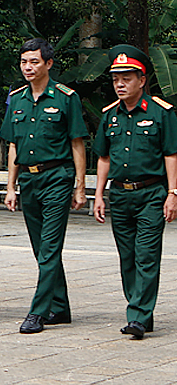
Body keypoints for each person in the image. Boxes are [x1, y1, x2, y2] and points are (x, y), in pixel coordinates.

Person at [1, 38, 88, 334]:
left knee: (50, 247)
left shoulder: (66, 97)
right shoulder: (17, 99)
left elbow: (77, 143)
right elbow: (13, 145)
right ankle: (60, 307)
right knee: (42, 249)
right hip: (28, 179)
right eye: (24, 62)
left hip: (57, 178)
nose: (28, 67)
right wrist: (11, 187)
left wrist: (80, 186)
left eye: (34, 61)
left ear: (48, 64)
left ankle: (38, 312)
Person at [93, 45, 177, 339]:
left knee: (146, 255)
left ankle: (138, 316)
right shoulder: (110, 116)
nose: (120, 84)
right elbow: (103, 158)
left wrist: (173, 193)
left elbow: (171, 154)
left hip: (151, 194)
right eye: (116, 79)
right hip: (120, 195)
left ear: (142, 80)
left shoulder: (161, 112)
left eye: (127, 78)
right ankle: (142, 312)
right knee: (127, 256)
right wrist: (99, 195)